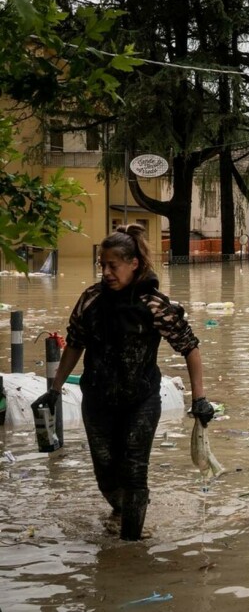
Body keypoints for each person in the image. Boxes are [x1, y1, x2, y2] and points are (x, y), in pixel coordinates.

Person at [45, 225, 214, 541]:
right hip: (97, 400)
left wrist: (199, 399)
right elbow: (75, 345)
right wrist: (55, 390)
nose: (106, 272)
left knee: (135, 472)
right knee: (107, 476)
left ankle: (131, 551)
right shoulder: (90, 301)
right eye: (102, 265)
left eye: (113, 265)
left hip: (142, 400)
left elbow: (190, 347)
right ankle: (124, 509)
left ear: (134, 263)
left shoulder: (154, 305)